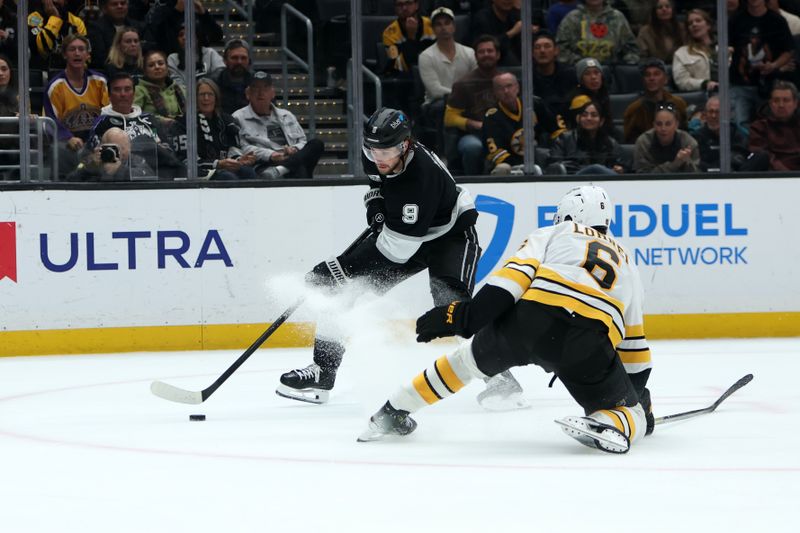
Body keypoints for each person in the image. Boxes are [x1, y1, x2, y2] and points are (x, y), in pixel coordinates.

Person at [358, 185, 654, 454]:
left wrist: (459, 316)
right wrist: (635, 398)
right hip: (587, 343)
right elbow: (635, 350)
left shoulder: (551, 233)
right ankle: (612, 422)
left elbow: (508, 286)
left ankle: (392, 410)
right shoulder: (629, 263)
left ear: (567, 213)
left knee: (462, 363)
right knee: (632, 414)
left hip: (530, 321)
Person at [276, 107, 527, 411]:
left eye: (390, 150)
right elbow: (377, 187)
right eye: (374, 149)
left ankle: (500, 377)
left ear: (406, 144)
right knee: (346, 292)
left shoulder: (420, 177)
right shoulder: (375, 154)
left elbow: (396, 250)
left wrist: (341, 268)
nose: (380, 157)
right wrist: (377, 206)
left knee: (452, 307)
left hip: (450, 236)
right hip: (409, 232)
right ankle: (322, 372)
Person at [85, 72, 184, 180]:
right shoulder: (102, 123)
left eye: (127, 89)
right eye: (117, 90)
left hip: (159, 177)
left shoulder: (150, 120)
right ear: (109, 95)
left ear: (133, 93)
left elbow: (167, 149)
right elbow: (94, 158)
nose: (123, 94)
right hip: (124, 178)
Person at [233, 70, 324, 179]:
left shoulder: (286, 115)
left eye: (265, 88)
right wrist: (271, 155)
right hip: (264, 164)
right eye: (256, 88)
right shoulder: (238, 117)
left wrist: (294, 149)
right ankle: (284, 168)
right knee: (299, 169)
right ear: (248, 93)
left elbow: (302, 141)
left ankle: (281, 169)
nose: (261, 92)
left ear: (272, 93)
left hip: (291, 158)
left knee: (317, 144)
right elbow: (242, 147)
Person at [43, 34, 110, 177]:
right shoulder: (55, 87)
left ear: (87, 54)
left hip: (96, 138)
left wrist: (96, 138)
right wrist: (68, 138)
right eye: (72, 49)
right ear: (64, 54)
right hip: (68, 142)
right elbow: (51, 120)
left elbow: (107, 113)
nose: (77, 53)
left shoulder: (100, 81)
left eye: (81, 49)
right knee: (59, 150)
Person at [729, 0, 796, 133]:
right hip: (741, 83)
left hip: (769, 84)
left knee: (771, 124)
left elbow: (789, 50)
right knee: (740, 123)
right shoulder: (735, 20)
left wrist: (774, 65)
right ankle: (746, 152)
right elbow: (726, 46)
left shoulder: (777, 20)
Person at [170, 78, 256, 180]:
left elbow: (233, 149)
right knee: (227, 177)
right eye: (202, 95)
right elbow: (186, 160)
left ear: (216, 97)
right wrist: (217, 164)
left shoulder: (226, 121)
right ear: (195, 98)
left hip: (223, 167)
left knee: (248, 172)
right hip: (198, 172)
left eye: (210, 94)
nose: (206, 98)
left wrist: (239, 159)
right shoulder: (183, 122)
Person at [417, 6, 476, 152]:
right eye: (438, 24)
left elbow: (476, 82)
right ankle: (446, 154)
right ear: (433, 29)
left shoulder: (469, 53)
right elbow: (435, 90)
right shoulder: (426, 56)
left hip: (468, 102)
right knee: (442, 106)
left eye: (447, 23)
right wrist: (460, 98)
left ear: (454, 26)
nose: (443, 27)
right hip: (436, 103)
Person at [444, 34, 502, 175]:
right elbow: (449, 118)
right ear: (475, 56)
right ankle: (473, 182)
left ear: (498, 54)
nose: (486, 54)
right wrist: (474, 124)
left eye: (490, 51)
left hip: (503, 133)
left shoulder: (507, 82)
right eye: (481, 52)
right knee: (472, 147)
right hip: (474, 135)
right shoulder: (463, 84)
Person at [482, 71, 556, 175]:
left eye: (509, 86)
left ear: (517, 87)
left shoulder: (534, 104)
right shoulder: (492, 116)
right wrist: (520, 166)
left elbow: (556, 130)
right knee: (502, 168)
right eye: (500, 88)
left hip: (539, 159)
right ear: (495, 92)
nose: (506, 91)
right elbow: (495, 150)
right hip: (509, 165)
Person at [547, 96, 627, 174]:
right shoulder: (564, 139)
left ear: (601, 121)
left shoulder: (611, 143)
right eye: (584, 115)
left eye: (594, 115)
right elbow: (554, 166)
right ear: (578, 119)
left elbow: (622, 166)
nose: (589, 118)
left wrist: (620, 169)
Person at [623, 58, 687, 143]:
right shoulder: (634, 110)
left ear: (666, 79)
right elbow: (630, 142)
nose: (652, 78)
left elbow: (685, 133)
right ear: (643, 80)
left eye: (656, 74)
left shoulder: (678, 104)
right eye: (647, 75)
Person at [556, 0, 640, 65]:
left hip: (612, 72)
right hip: (579, 71)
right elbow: (561, 49)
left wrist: (624, 64)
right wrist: (582, 64)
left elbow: (632, 49)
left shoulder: (618, 18)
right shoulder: (571, 18)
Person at [65, 126, 157, 181]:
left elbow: (149, 175)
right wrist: (89, 167)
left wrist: (120, 170)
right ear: (101, 146)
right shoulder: (94, 160)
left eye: (122, 148)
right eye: (112, 147)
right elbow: (70, 179)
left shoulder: (135, 159)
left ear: (129, 148)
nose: (120, 152)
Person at [633, 101, 700, 173]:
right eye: (659, 124)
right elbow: (643, 177)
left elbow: (696, 176)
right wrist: (675, 164)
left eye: (668, 124)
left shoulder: (688, 143)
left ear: (676, 125)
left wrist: (687, 163)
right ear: (653, 125)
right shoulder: (643, 143)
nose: (663, 128)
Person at [747, 80, 800, 170]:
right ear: (770, 104)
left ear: (795, 104)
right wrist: (786, 174)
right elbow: (760, 154)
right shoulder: (759, 127)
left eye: (786, 100)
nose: (781, 105)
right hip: (770, 176)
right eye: (776, 101)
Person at [692, 95, 753, 171]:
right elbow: (697, 163)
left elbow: (739, 159)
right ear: (705, 114)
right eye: (710, 111)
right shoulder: (696, 136)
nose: (714, 116)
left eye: (718, 112)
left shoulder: (738, 134)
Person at [531, 31, 578, 128]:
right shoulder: (528, 77)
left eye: (547, 46)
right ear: (532, 53)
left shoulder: (570, 75)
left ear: (556, 51)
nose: (542, 51)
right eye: (537, 47)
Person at [87, 0, 148, 71]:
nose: (120, 6)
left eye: (123, 3)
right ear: (105, 8)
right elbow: (99, 58)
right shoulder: (95, 28)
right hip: (108, 72)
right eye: (114, 4)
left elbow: (146, 51)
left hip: (137, 69)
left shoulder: (139, 27)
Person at [28, 0, 88, 71]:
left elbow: (85, 57)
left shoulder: (76, 23)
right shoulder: (33, 18)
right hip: (41, 73)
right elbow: (44, 49)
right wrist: (55, 18)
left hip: (69, 73)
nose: (55, 0)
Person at [566, 57, 615, 139]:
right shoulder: (579, 99)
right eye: (587, 74)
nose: (593, 77)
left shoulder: (603, 94)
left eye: (596, 72)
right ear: (581, 79)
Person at [672, 9, 718, 92]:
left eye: (698, 21)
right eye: (690, 23)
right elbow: (682, 81)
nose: (694, 24)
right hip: (705, 95)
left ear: (708, 25)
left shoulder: (725, 46)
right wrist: (704, 84)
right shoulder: (682, 53)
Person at [134, 49, 186, 121]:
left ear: (167, 67)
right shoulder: (139, 91)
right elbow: (135, 115)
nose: (157, 67)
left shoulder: (180, 89)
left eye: (161, 63)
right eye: (151, 65)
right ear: (145, 71)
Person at [470, 0, 526, 66]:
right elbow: (485, 45)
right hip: (489, 62)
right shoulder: (482, 18)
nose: (507, 1)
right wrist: (512, 32)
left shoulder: (514, 15)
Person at [209, 39, 253, 115]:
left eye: (243, 58)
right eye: (234, 58)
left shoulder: (257, 82)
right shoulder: (213, 83)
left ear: (249, 61)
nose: (239, 62)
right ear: (225, 60)